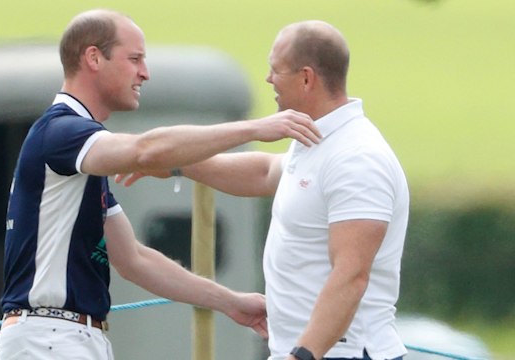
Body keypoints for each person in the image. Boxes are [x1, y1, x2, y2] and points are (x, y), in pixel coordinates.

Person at [0, 9, 323, 360]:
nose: (145, 73)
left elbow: (135, 259)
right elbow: (144, 151)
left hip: (63, 338)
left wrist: (232, 303)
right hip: (51, 339)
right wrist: (253, 129)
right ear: (93, 57)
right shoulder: (62, 133)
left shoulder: (76, 150)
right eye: (134, 58)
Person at [118, 20, 409, 360]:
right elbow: (267, 172)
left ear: (306, 78)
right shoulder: (319, 140)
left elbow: (352, 276)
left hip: (341, 353)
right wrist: (179, 165)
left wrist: (302, 355)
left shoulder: (357, 158)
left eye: (275, 70)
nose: (269, 79)